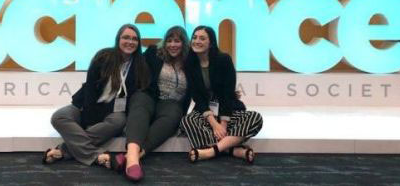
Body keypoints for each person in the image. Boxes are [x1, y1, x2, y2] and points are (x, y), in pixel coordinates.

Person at [42, 24, 150, 167]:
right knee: (59, 117)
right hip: (87, 105)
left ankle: (64, 150)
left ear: (139, 43)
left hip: (113, 111)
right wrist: (88, 119)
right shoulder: (104, 56)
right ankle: (97, 156)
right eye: (126, 37)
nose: (130, 42)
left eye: (134, 39)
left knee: (119, 121)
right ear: (118, 39)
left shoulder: (140, 65)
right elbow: (90, 88)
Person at [112, 26, 192, 182]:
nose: (172, 45)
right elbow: (133, 65)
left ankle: (130, 155)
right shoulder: (153, 53)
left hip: (171, 103)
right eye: (169, 41)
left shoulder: (190, 63)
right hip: (149, 96)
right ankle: (134, 161)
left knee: (174, 115)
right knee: (139, 102)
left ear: (184, 43)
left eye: (177, 41)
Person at [180, 25, 263, 164]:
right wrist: (214, 124)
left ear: (211, 42)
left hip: (228, 110)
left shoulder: (223, 60)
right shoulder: (189, 63)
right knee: (187, 122)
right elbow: (198, 97)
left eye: (202, 38)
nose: (197, 41)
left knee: (255, 118)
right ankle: (233, 150)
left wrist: (223, 125)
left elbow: (227, 94)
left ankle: (210, 151)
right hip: (206, 112)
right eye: (194, 37)